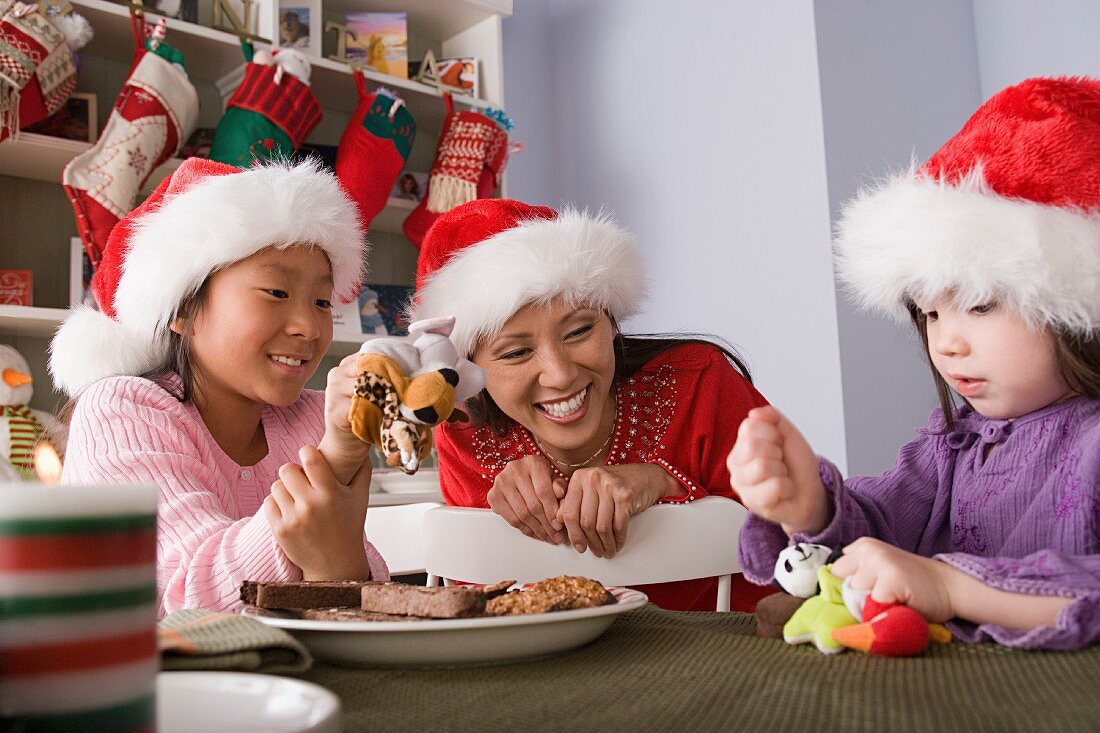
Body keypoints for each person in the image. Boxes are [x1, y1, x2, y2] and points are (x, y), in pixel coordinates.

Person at [730, 77, 1100, 649]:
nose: (945, 342)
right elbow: (877, 533)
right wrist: (812, 507)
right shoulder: (951, 446)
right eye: (929, 315)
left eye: (979, 304)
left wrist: (951, 587)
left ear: (1076, 304)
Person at [51, 158, 388, 616]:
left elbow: (364, 593)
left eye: (323, 301)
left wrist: (338, 566)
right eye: (276, 292)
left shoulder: (311, 418)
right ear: (182, 310)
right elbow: (187, 601)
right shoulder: (120, 411)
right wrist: (336, 461)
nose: (309, 326)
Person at [409, 199, 773, 612]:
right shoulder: (463, 430)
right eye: (515, 354)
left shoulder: (701, 382)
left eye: (579, 330)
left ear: (611, 320)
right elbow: (479, 603)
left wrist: (663, 482)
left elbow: (805, 534)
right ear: (469, 372)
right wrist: (494, 516)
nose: (560, 374)